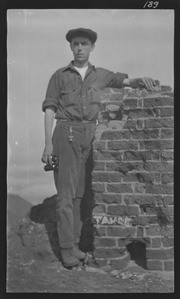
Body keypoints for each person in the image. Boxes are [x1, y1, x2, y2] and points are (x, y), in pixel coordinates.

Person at [41, 28, 159, 268]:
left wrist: (141, 80)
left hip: (90, 135)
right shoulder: (59, 76)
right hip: (67, 133)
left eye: (85, 44)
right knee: (66, 196)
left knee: (81, 196)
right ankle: (66, 250)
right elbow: (50, 110)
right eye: (76, 44)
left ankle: (74, 245)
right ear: (71, 47)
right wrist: (47, 145)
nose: (80, 48)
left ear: (92, 47)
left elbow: (124, 81)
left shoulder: (101, 75)